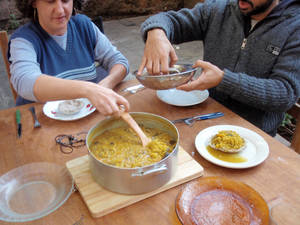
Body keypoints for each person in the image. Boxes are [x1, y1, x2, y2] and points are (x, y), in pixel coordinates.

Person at [138, 0, 300, 136]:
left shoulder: (294, 27)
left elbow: (285, 93)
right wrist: (156, 32)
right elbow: (173, 21)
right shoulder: (219, 9)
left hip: (254, 134)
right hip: (203, 117)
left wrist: (224, 80)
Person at [9, 0, 129, 116]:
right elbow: (25, 81)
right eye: (50, 1)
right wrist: (89, 90)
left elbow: (119, 61)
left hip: (84, 120)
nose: (60, 10)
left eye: (65, 0)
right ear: (33, 2)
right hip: (39, 125)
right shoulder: (23, 40)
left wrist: (105, 85)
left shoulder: (84, 26)